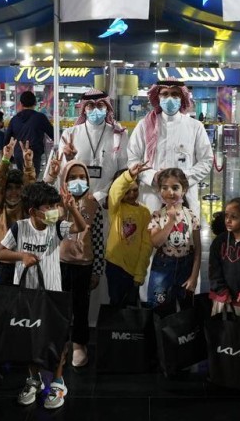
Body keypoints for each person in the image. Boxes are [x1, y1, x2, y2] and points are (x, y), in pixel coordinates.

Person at [0, 182, 87, 409]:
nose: (53, 210)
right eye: (48, 207)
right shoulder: (19, 227)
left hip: (52, 294)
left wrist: (71, 207)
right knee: (29, 338)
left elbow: (80, 226)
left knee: (55, 339)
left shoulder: (56, 227)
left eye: (55, 205)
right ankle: (34, 379)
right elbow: (0, 252)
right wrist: (22, 256)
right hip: (26, 295)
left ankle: (57, 382)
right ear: (33, 211)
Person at [44, 156, 105, 368]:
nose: (78, 181)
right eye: (72, 177)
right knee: (59, 306)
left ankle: (79, 344)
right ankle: (60, 342)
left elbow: (98, 240)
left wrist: (97, 270)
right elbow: (38, 195)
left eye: (82, 177)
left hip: (84, 265)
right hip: (59, 264)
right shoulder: (55, 203)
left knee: (81, 308)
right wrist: (51, 175)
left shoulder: (94, 205)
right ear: (64, 179)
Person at [126, 78, 213, 215]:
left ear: (182, 97)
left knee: (184, 227)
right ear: (158, 97)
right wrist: (153, 176)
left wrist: (182, 178)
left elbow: (206, 160)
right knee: (151, 227)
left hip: (185, 196)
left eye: (175, 94)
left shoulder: (195, 126)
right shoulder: (144, 125)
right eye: (165, 94)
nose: (170, 98)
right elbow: (132, 159)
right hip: (152, 195)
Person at [55, 89, 129, 203]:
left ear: (107, 108)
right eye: (90, 106)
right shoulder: (70, 134)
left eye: (100, 105)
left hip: (108, 198)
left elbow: (123, 170)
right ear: (84, 110)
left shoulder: (119, 134)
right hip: (77, 198)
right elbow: (63, 170)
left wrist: (101, 195)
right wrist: (69, 159)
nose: (95, 109)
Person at [147, 168, 201, 316]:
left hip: (186, 267)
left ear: (184, 190)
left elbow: (198, 249)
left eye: (175, 187)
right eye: (165, 188)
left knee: (186, 309)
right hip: (163, 267)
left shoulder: (192, 216)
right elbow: (156, 242)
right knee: (159, 308)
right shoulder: (157, 216)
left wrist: (194, 276)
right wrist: (170, 221)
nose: (170, 192)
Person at [0, 138, 37, 285]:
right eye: (9, 188)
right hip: (4, 263)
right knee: (6, 297)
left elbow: (31, 188)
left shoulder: (26, 206)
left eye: (18, 188)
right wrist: (5, 160)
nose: (14, 192)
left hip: (25, 260)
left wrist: (28, 164)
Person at [106, 165, 153, 308]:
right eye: (127, 191)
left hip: (134, 269)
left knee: (131, 309)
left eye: (135, 190)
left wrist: (140, 273)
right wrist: (129, 175)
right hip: (115, 266)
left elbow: (146, 245)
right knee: (115, 307)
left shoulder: (145, 212)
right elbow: (115, 191)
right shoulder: (116, 208)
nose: (132, 194)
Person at [4, 90, 54, 175]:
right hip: (33, 154)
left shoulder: (14, 119)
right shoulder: (40, 118)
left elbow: (6, 140)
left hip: (18, 155)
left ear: (21, 104)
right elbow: (53, 134)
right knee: (32, 179)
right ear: (35, 103)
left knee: (21, 179)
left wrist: (10, 158)